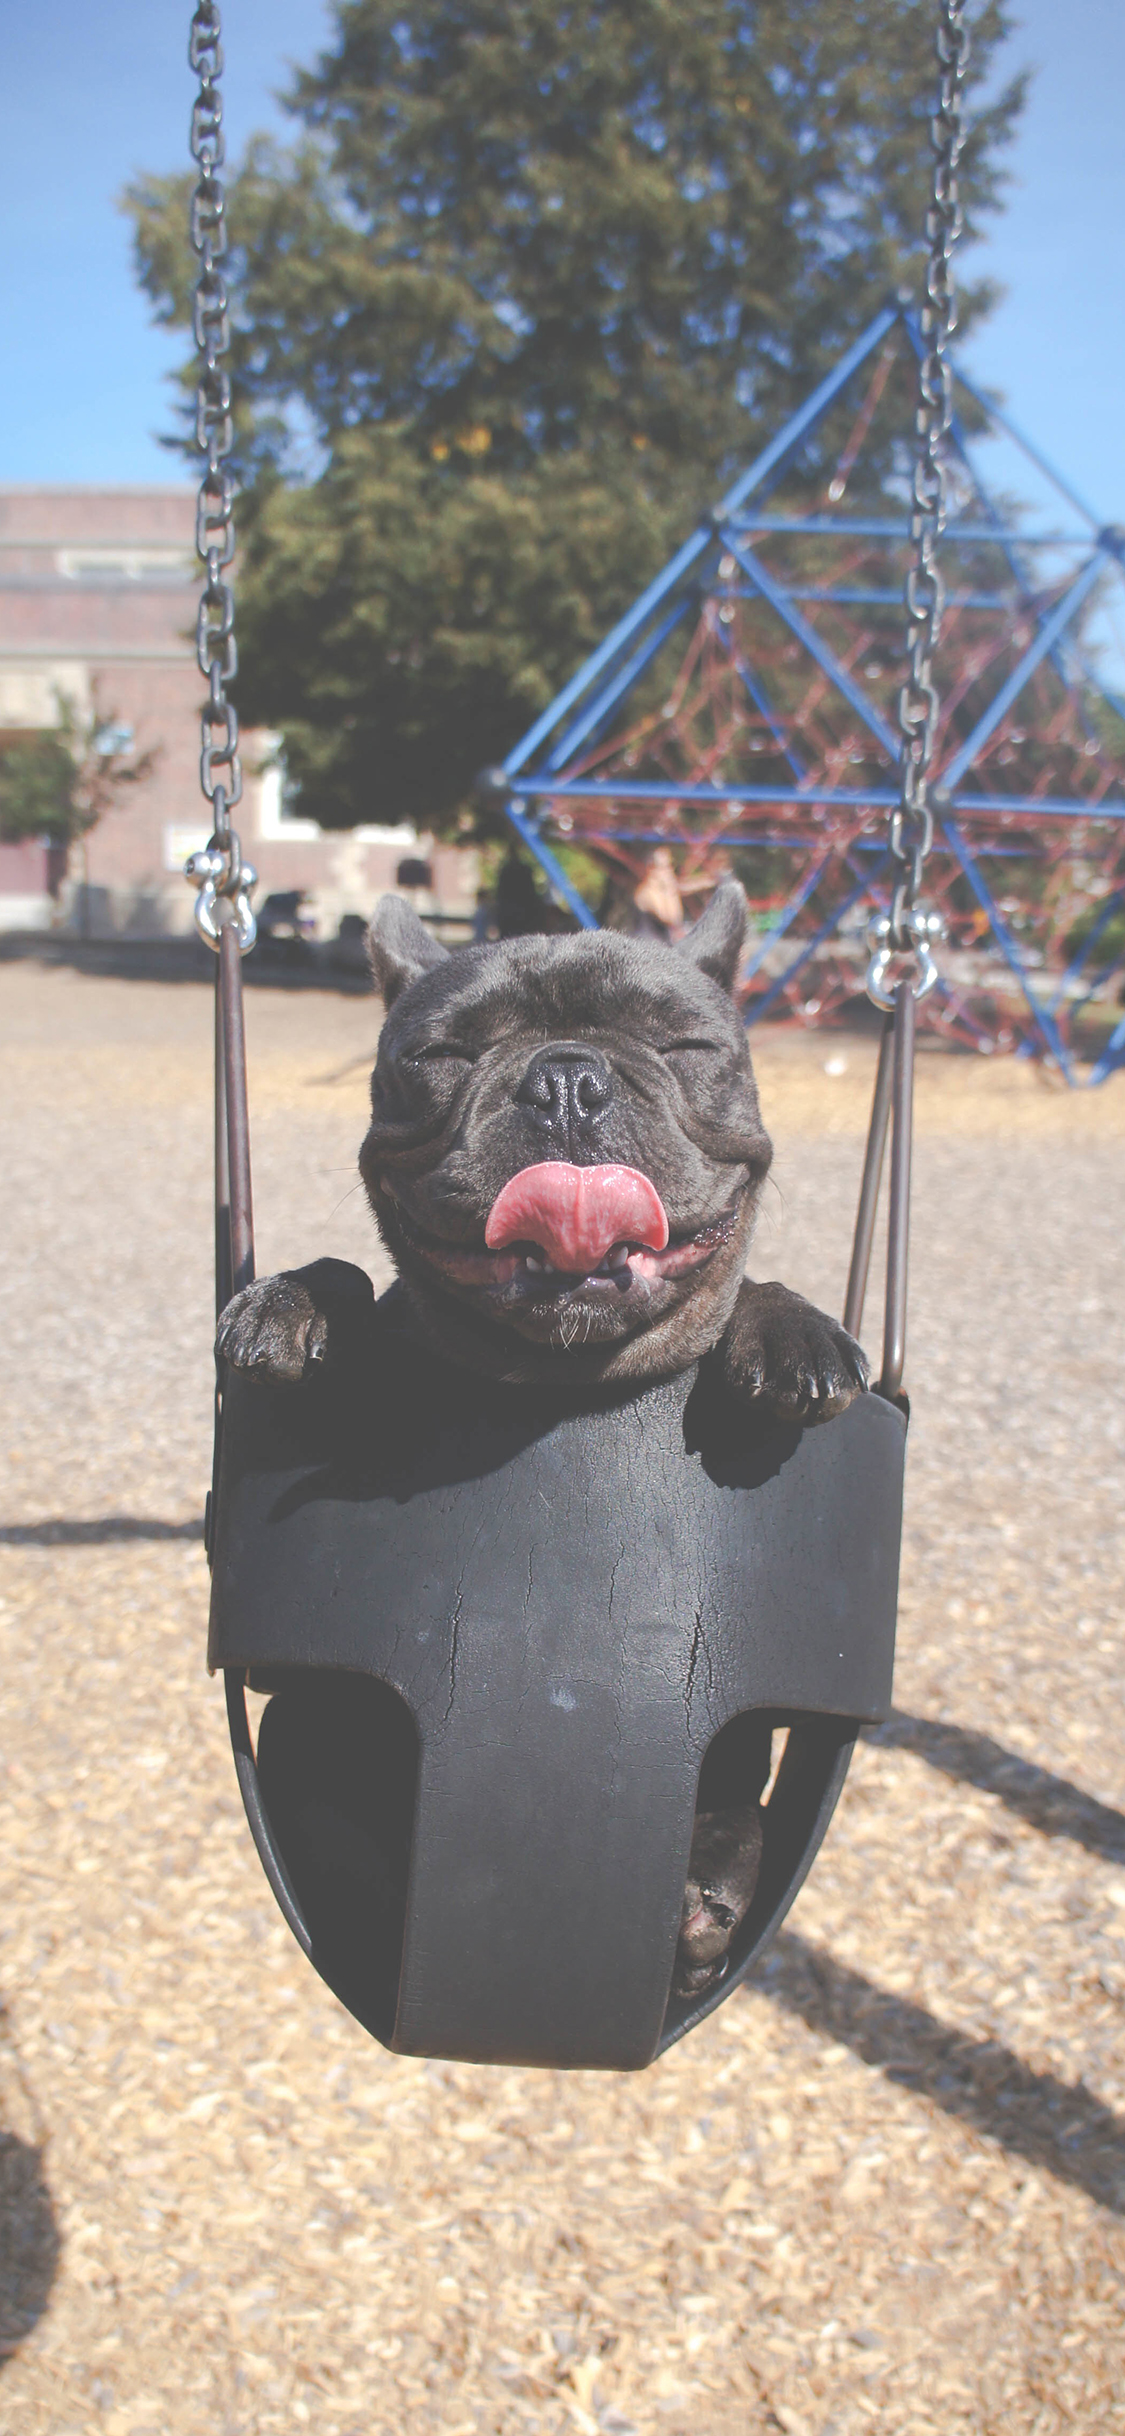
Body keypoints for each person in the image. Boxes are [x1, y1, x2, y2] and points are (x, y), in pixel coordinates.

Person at [630, 847, 683, 943]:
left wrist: (671, 890)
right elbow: (667, 917)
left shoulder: (663, 891)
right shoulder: (645, 892)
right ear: (650, 868)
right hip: (646, 945)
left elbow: (677, 917)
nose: (669, 871)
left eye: (670, 865)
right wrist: (668, 890)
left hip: (662, 944)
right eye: (663, 867)